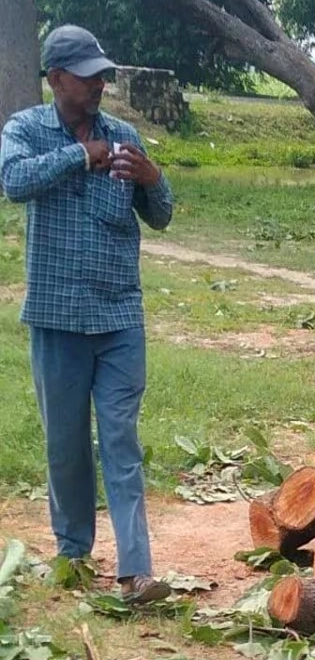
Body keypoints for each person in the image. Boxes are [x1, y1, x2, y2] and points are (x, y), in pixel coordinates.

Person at [0, 25, 174, 604]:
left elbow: (163, 215)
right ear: (55, 79)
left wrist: (153, 180)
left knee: (120, 439)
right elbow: (14, 182)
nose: (101, 84)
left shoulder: (124, 136)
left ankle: (136, 571)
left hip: (119, 316)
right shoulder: (24, 130)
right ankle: (73, 553)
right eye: (88, 75)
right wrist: (78, 157)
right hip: (56, 320)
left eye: (104, 74)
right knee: (65, 444)